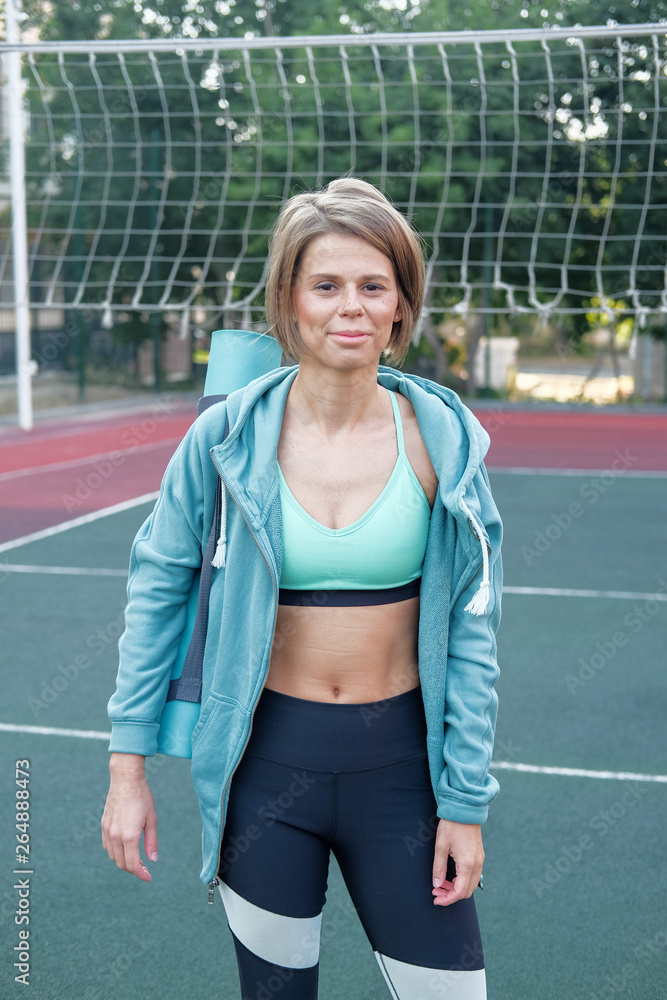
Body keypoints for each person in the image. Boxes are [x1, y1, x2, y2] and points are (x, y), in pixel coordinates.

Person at [102, 177, 502, 1000]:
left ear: (399, 305)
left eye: (372, 286)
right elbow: (157, 591)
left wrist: (464, 801)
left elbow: (472, 633)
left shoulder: (442, 440)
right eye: (325, 285)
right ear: (290, 301)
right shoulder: (223, 436)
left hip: (401, 775)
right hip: (264, 772)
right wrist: (127, 771)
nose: (349, 306)